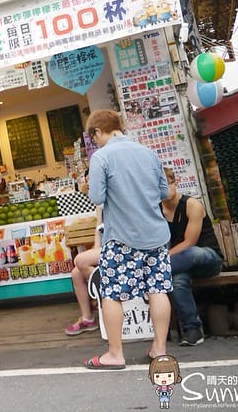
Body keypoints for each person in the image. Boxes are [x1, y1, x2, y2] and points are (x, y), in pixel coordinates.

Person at [85, 109, 172, 370]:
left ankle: (115, 353)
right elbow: (164, 191)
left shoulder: (101, 157)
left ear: (98, 131)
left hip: (122, 237)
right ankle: (159, 348)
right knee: (157, 290)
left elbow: (97, 198)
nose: (95, 142)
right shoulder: (147, 152)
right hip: (156, 235)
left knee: (111, 293)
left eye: (93, 138)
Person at [160, 167, 223, 346]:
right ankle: (192, 329)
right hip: (180, 265)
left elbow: (190, 242)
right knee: (178, 281)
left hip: (206, 258)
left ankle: (155, 274)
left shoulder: (192, 204)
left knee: (191, 253)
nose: (164, 189)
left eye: (167, 184)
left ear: (175, 183)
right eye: (159, 186)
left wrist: (162, 262)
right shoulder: (156, 211)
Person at [63, 208, 102, 336]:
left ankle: (103, 297)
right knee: (76, 273)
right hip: (107, 249)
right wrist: (96, 249)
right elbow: (99, 228)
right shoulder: (101, 203)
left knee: (80, 260)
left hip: (122, 247)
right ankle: (88, 318)